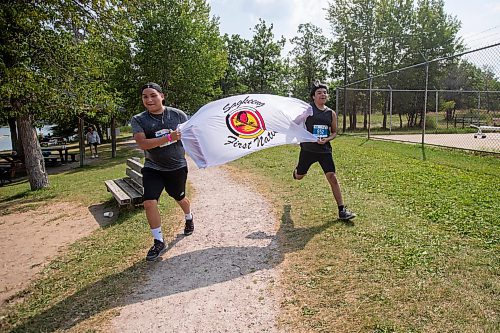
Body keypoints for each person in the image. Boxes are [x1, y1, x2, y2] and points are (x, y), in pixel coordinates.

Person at [131, 82, 194, 261]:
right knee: (149, 202)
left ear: (162, 96)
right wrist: (169, 137)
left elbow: (192, 136)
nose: (149, 99)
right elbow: (142, 144)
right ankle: (158, 241)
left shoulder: (178, 115)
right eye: (145, 96)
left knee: (180, 197)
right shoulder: (139, 119)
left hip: (177, 167)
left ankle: (189, 217)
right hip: (153, 167)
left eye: (153, 95)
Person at [292, 80, 356, 221]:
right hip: (308, 150)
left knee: (332, 177)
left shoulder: (330, 113)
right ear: (313, 96)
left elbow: (334, 132)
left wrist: (326, 139)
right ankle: (296, 172)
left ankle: (342, 210)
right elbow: (293, 124)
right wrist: (303, 116)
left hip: (324, 151)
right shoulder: (308, 110)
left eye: (325, 92)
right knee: (299, 177)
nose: (322, 95)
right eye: (319, 93)